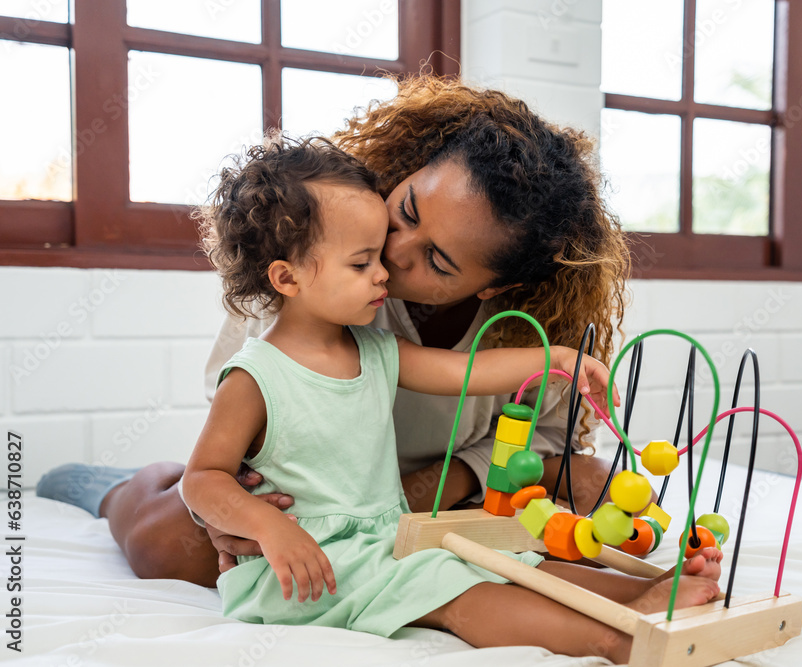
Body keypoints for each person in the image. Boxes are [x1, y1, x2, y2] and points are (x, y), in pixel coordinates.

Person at [37, 75, 640, 588]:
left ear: (493, 289)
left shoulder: (523, 332)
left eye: (439, 261)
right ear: (411, 170)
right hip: (312, 492)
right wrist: (245, 505)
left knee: (571, 502)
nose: (392, 254)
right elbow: (241, 410)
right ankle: (120, 488)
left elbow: (548, 439)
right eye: (406, 211)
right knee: (167, 550)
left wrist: (441, 482)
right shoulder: (311, 256)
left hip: (427, 497)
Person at [181, 133, 720, 662]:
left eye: (384, 259)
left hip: (385, 536)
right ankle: (615, 642)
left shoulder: (374, 348)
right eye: (362, 262)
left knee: (501, 553)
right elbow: (203, 477)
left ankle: (641, 596)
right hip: (305, 564)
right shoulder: (256, 375)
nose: (383, 270)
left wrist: (552, 358)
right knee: (447, 585)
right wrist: (265, 524)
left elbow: (467, 371)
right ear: (287, 276)